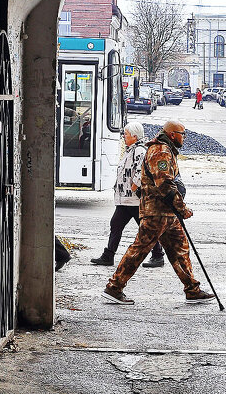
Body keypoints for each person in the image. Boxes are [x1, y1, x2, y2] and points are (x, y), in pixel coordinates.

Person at [104, 119, 215, 305]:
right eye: (182, 134)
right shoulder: (161, 151)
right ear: (172, 134)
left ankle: (192, 289)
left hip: (167, 214)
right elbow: (164, 184)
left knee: (180, 250)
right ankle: (114, 287)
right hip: (156, 213)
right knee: (139, 250)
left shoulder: (166, 149)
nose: (184, 138)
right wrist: (182, 208)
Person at [90, 122, 165, 268]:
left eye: (126, 134)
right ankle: (109, 255)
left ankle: (158, 255)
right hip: (126, 199)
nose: (124, 136)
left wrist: (134, 185)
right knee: (116, 224)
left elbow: (141, 170)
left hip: (134, 199)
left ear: (135, 136)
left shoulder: (139, 151)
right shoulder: (130, 150)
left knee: (145, 229)